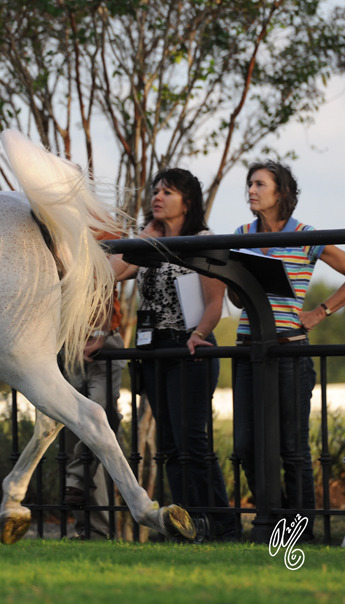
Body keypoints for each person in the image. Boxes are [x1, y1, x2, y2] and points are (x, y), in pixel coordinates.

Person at [231, 160, 345, 538]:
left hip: (289, 351)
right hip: (248, 349)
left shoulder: (306, 234)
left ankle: (301, 531)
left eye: (259, 184)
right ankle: (274, 521)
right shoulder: (241, 234)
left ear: (281, 193)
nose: (251, 190)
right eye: (250, 184)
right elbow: (236, 299)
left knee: (292, 448)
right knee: (245, 446)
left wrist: (319, 312)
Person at [110, 168, 235, 541]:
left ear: (188, 202)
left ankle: (219, 523)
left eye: (168, 192)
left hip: (189, 346)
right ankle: (186, 525)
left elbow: (215, 301)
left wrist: (199, 335)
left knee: (191, 441)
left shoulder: (201, 241)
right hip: (153, 350)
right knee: (168, 444)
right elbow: (111, 272)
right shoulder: (150, 243)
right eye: (156, 191)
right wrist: (145, 236)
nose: (157, 197)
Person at [62, 249, 126, 540]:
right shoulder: (56, 235)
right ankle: (91, 530)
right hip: (70, 345)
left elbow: (106, 276)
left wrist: (99, 332)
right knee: (80, 432)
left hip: (103, 343)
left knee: (100, 421)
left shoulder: (105, 234)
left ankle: (77, 476)